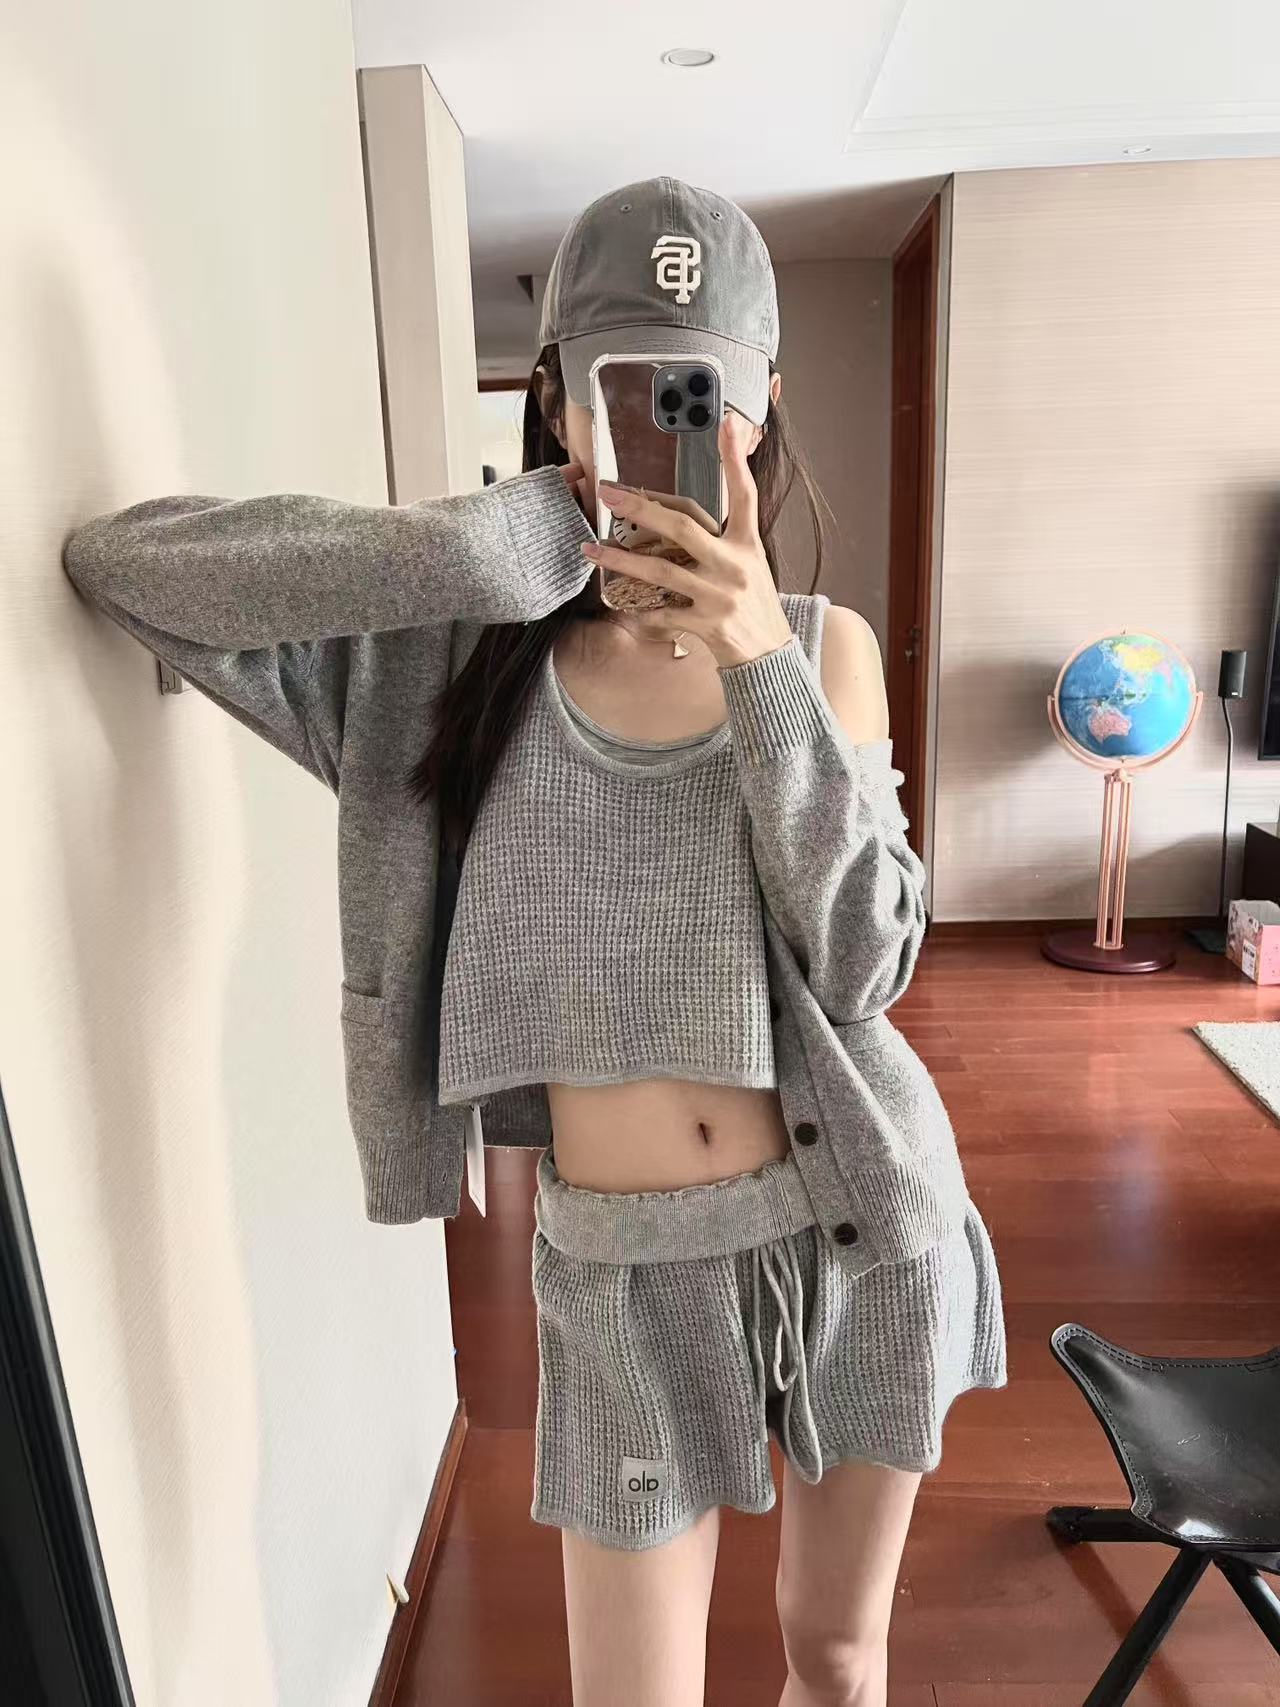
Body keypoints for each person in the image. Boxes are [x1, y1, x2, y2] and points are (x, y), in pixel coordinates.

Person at [63, 176, 1007, 1707]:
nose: (663, 433)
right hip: (624, 1278)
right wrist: (493, 553)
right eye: (624, 392)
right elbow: (134, 573)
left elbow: (867, 967)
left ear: (763, 406)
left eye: (701, 391)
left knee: (837, 1659)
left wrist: (761, 661)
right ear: (558, 401)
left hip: (859, 1232)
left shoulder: (823, 645)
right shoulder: (443, 672)